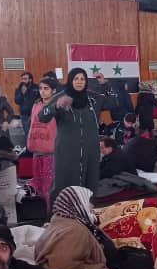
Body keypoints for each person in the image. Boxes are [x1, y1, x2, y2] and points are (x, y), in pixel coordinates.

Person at [38, 68, 117, 206]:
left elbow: (113, 102)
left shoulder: (93, 99)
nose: (79, 82)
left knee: (90, 185)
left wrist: (104, 84)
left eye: (82, 79)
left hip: (90, 151)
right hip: (66, 152)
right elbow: (42, 116)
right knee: (62, 185)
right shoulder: (61, 97)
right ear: (70, 80)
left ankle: (86, 217)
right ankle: (56, 219)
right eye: (76, 79)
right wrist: (55, 106)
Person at [27, 77, 58, 211]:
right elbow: (32, 126)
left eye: (46, 89)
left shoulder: (57, 106)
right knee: (38, 184)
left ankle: (51, 215)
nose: (42, 91)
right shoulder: (36, 105)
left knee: (49, 186)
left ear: (54, 90)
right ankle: (43, 213)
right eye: (40, 88)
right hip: (36, 149)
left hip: (51, 152)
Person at [14, 72, 41, 139]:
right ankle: (29, 148)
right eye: (22, 79)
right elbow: (17, 101)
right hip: (24, 115)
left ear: (30, 79)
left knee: (36, 133)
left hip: (35, 114)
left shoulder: (36, 87)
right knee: (27, 134)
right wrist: (23, 93)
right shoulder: (19, 88)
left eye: (25, 79)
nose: (23, 80)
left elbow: (41, 98)